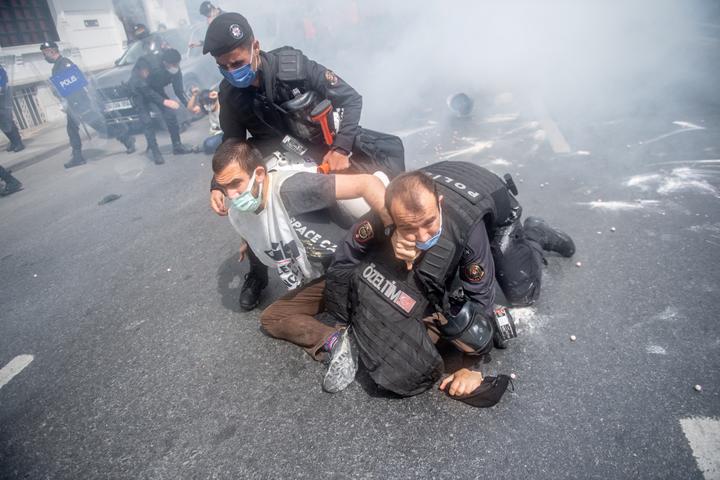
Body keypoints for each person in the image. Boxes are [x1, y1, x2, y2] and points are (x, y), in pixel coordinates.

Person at [263, 161, 576, 398]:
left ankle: (534, 233)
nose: (423, 234)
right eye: (409, 228)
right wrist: (345, 312)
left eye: (428, 223)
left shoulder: (464, 230)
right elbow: (345, 258)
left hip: (488, 198)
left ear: (437, 205)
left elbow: (481, 299)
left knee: (523, 292)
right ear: (391, 215)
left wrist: (470, 365)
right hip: (436, 180)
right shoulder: (386, 215)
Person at [203, 12, 405, 309]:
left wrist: (341, 148)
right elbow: (232, 142)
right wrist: (216, 186)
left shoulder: (292, 67)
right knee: (247, 201)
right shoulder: (230, 93)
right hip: (277, 160)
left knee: (368, 203)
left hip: (326, 150)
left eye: (237, 63)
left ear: (255, 47)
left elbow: (351, 99)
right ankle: (257, 273)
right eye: (223, 67)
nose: (232, 72)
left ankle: (392, 255)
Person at [212, 139, 390, 312]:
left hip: (355, 256)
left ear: (259, 174)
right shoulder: (240, 209)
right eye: (224, 187)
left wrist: (397, 231)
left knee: (366, 308)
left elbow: (368, 183)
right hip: (327, 266)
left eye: (235, 184)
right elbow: (255, 223)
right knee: (274, 319)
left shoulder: (294, 189)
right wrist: (248, 240)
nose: (231, 195)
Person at [40, 41, 136, 169]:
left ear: (51, 51)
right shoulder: (57, 66)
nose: (44, 57)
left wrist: (73, 102)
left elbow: (76, 85)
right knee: (72, 129)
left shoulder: (64, 63)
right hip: (72, 104)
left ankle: (127, 139)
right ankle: (78, 156)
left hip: (79, 102)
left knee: (99, 125)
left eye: (45, 54)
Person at [128, 48, 193, 165]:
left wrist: (189, 104)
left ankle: (177, 146)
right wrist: (164, 101)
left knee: (170, 114)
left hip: (155, 89)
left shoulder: (175, 70)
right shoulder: (147, 63)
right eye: (173, 64)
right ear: (165, 63)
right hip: (138, 91)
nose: (176, 66)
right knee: (147, 121)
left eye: (177, 64)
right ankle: (155, 151)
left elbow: (179, 90)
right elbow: (143, 86)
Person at [187, 87, 223, 154]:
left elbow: (228, 97)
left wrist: (218, 94)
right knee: (208, 143)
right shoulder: (207, 107)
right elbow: (190, 108)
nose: (207, 105)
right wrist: (194, 95)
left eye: (208, 102)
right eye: (204, 104)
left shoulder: (220, 104)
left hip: (228, 133)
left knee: (209, 144)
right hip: (217, 134)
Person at [0, 65, 25, 153]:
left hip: (3, 95)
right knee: (2, 123)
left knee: (7, 119)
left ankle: (18, 143)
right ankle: (13, 141)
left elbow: (3, 77)